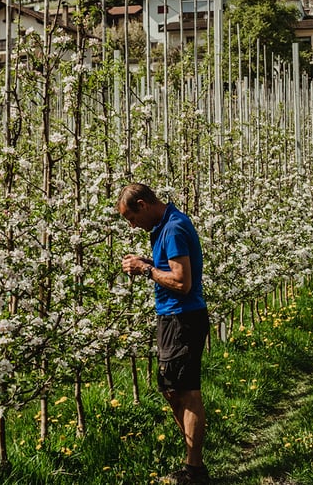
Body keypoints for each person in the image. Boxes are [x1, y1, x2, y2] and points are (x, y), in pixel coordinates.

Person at [117, 183, 210, 485]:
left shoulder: (173, 228)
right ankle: (192, 462)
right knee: (172, 388)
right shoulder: (165, 226)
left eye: (131, 218)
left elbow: (182, 282)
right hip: (175, 318)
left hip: (182, 319)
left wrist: (146, 270)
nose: (132, 225)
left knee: (186, 391)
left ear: (143, 204)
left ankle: (194, 470)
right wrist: (147, 263)